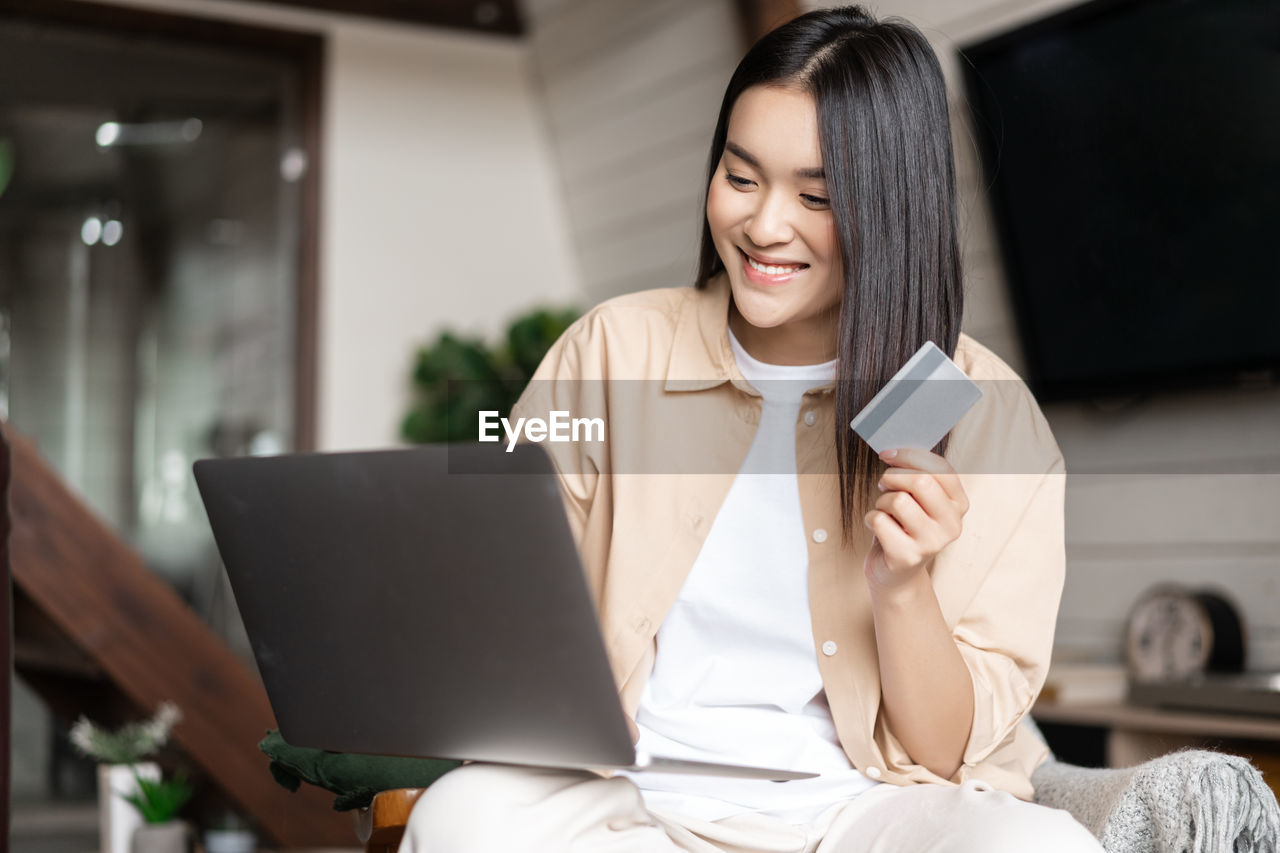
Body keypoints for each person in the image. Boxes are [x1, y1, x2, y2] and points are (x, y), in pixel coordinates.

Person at [399, 6, 1105, 852]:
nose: (765, 226)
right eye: (741, 178)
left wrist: (904, 586)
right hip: (627, 795)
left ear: (892, 211)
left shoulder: (988, 414)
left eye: (817, 197)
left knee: (1044, 846)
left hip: (858, 807)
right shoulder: (614, 348)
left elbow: (945, 752)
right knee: (458, 819)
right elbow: (500, 608)